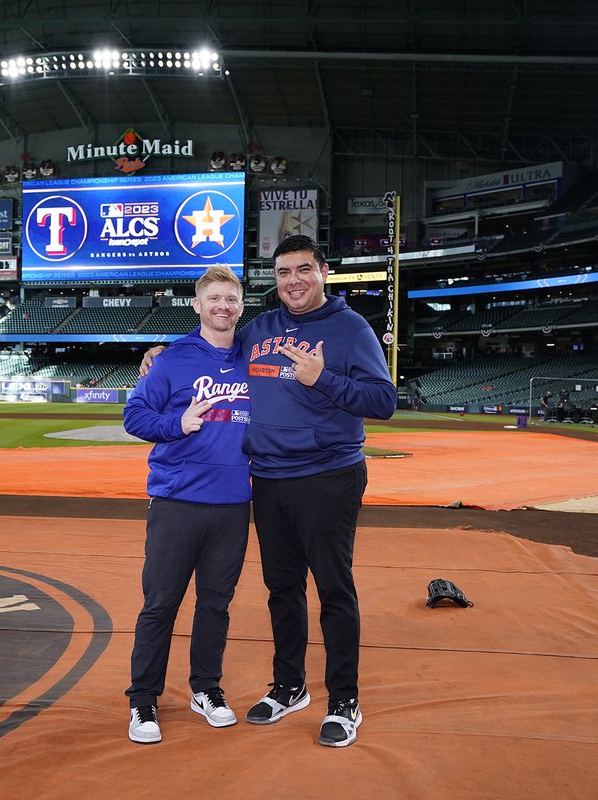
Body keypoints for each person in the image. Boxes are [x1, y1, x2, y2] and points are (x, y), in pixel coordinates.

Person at [141, 235, 397, 748]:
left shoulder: (350, 329)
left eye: (304, 269)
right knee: (282, 589)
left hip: (328, 475)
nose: (294, 280)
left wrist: (324, 379)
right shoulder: (259, 329)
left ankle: (344, 699)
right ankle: (290, 686)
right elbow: (214, 347)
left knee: (333, 589)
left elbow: (383, 401)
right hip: (269, 479)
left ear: (323, 272)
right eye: (283, 272)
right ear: (274, 279)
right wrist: (161, 356)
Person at [122, 265, 252, 745]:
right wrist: (178, 424)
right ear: (197, 305)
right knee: (160, 605)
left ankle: (206, 689)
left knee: (216, 604)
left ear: (241, 306)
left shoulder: (252, 358)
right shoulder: (172, 360)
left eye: (231, 299)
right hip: (177, 501)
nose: (223, 306)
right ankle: (143, 700)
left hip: (235, 503)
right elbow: (134, 415)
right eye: (213, 298)